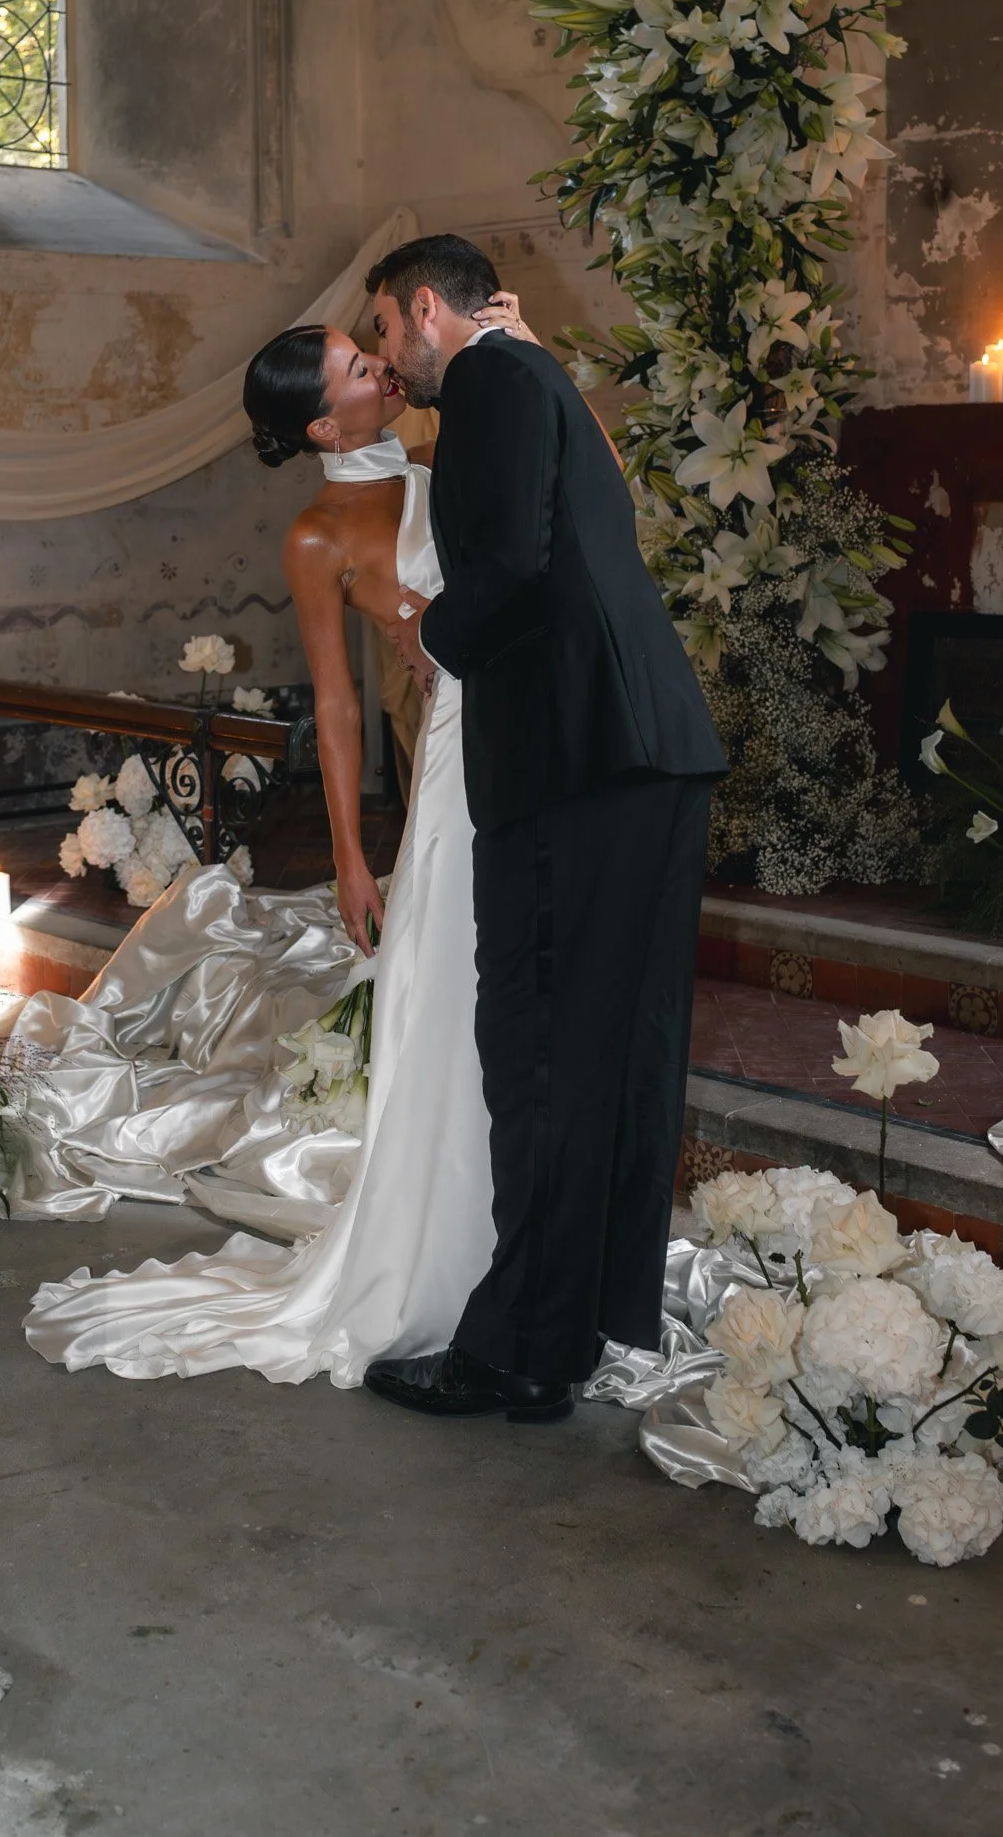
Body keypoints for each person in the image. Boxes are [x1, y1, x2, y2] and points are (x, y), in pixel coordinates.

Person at [22, 298, 529, 1388]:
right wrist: (352, 855)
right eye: (357, 366)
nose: (381, 369)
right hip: (451, 767)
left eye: (372, 352)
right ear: (319, 424)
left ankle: (520, 1226)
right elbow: (339, 706)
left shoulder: (451, 448)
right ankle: (437, 1250)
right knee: (443, 1000)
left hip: (527, 749)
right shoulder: (320, 535)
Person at [362, 233, 725, 1423]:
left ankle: (515, 1345)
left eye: (380, 331)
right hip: (627, 756)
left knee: (540, 1058)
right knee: (586, 1061)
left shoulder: (489, 381)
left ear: (424, 310)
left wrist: (434, 639)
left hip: (581, 760)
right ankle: (549, 1344)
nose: (384, 358)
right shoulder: (530, 375)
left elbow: (511, 563)